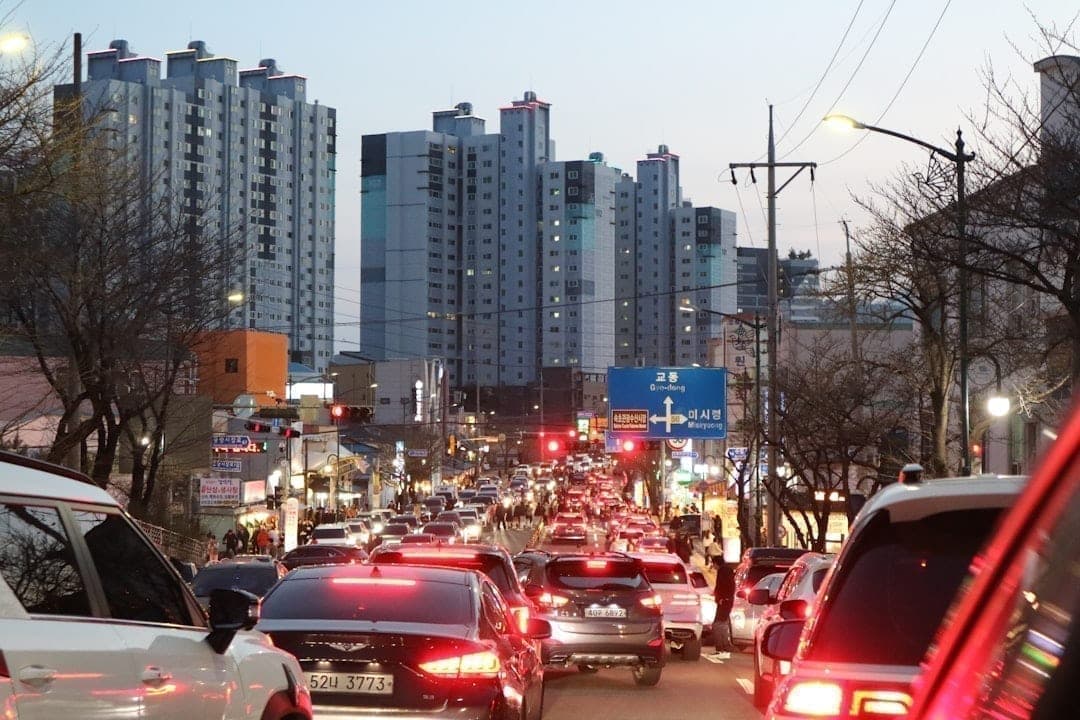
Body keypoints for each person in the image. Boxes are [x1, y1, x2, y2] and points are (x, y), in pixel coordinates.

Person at [713, 562, 737, 654]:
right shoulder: (729, 573)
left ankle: (721, 645)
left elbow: (720, 586)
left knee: (718, 623)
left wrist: (720, 598)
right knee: (723, 622)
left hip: (723, 601)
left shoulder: (722, 572)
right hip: (727, 601)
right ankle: (724, 644)